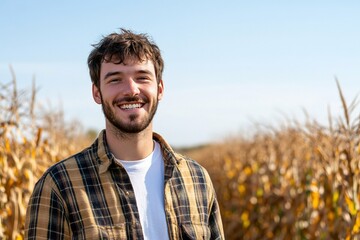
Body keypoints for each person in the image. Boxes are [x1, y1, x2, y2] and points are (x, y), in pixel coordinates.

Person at [25, 28, 224, 240]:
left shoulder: (197, 178)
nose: (131, 90)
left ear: (160, 89)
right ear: (96, 93)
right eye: (115, 79)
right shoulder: (59, 185)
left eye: (142, 77)